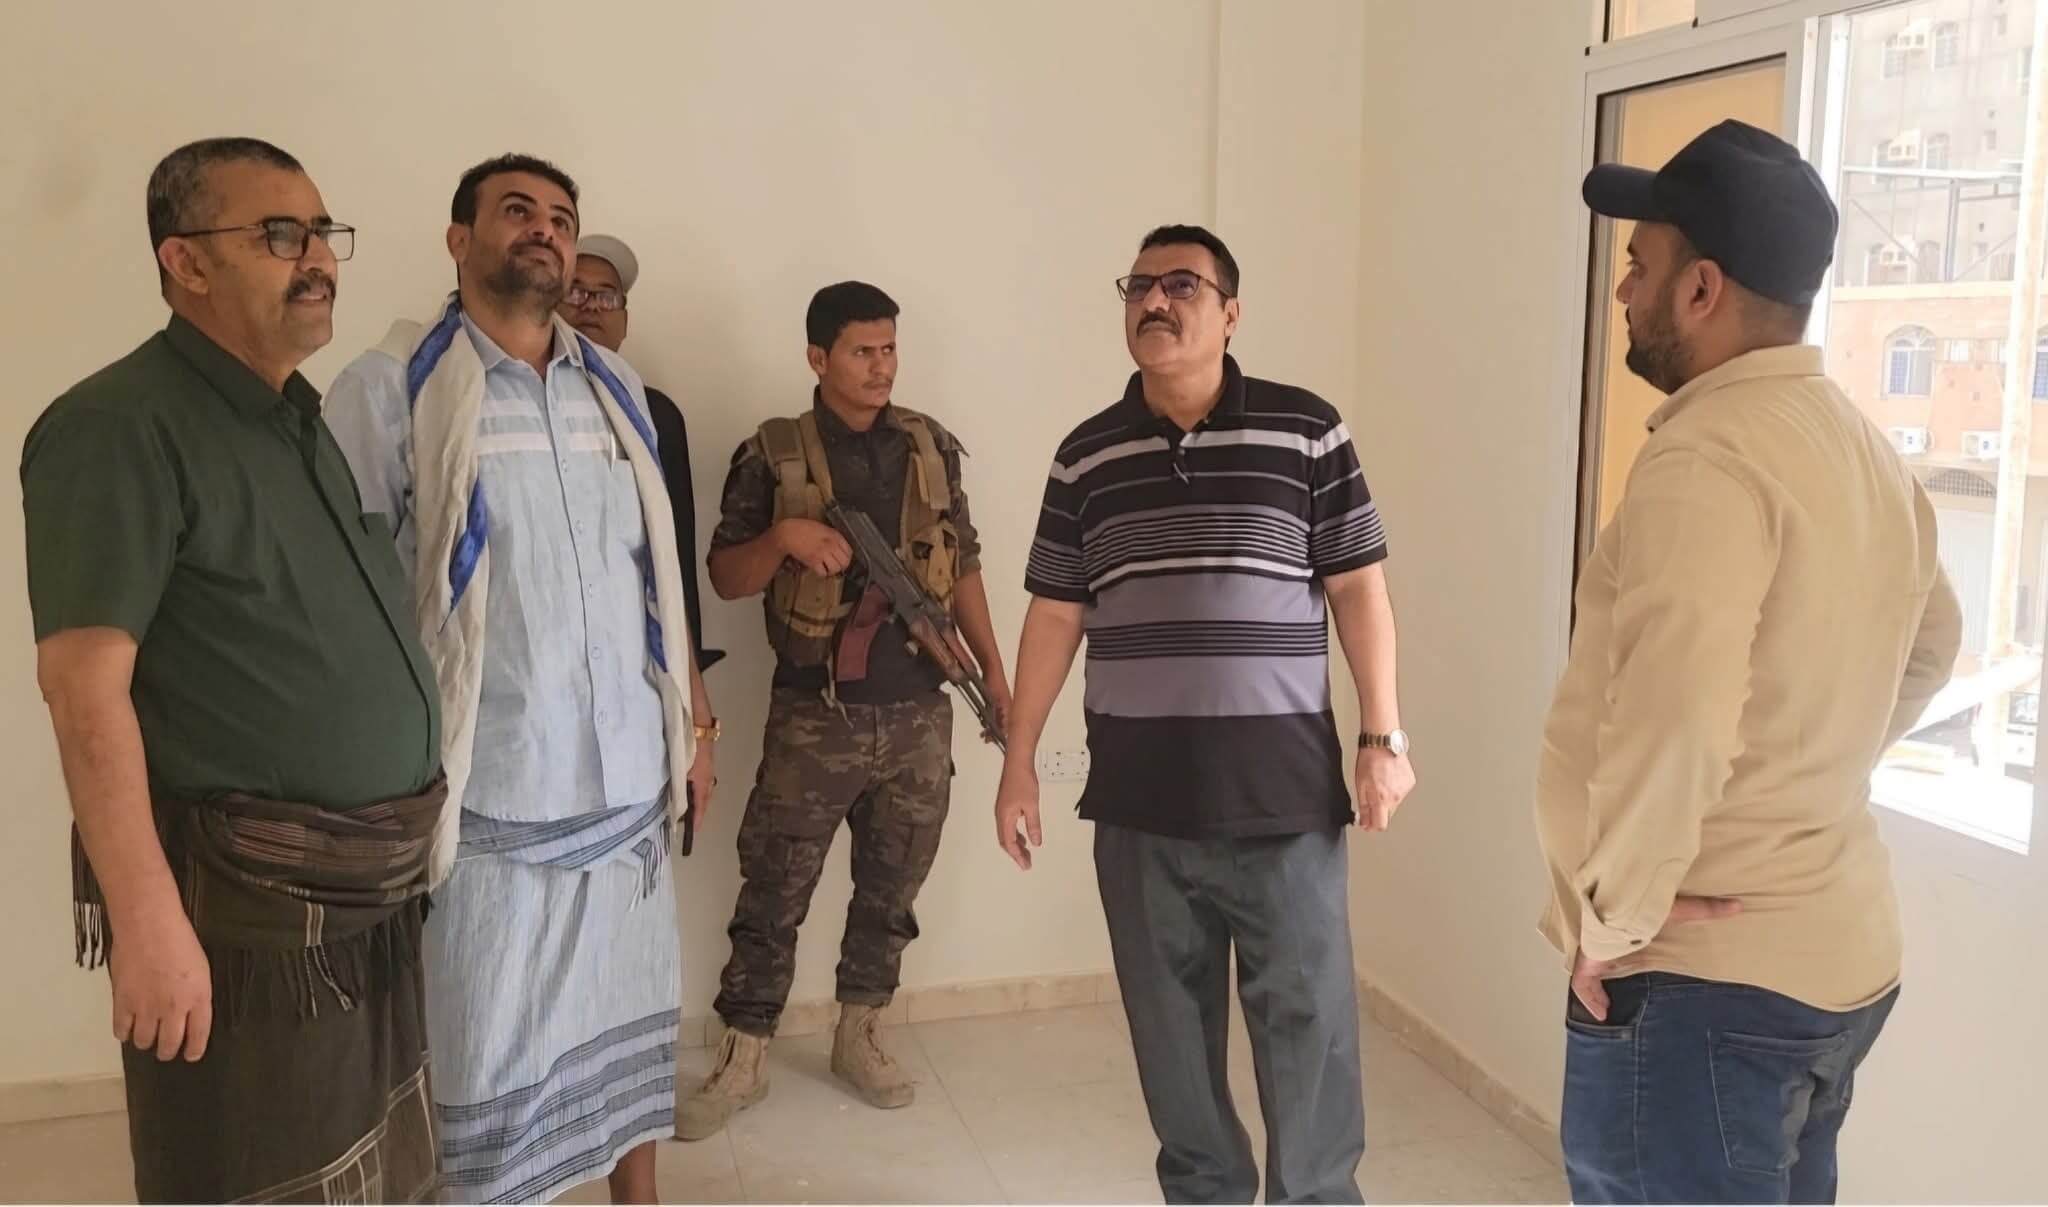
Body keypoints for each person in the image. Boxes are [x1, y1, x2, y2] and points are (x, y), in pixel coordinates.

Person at [1539, 119, 1963, 1205]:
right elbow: (1931, 643)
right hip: (1836, 958)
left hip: (1704, 987)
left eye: (1639, 265)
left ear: (1701, 290)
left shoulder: (1706, 459)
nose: (1623, 289)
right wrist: (1803, 780)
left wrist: (1611, 924)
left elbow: (1674, 715)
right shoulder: (1861, 446)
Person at [21, 137, 444, 1203]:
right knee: (255, 1171)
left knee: (370, 1171)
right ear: (186, 262)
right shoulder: (118, 426)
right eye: (279, 234)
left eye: (323, 232)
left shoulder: (295, 417)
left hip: (360, 901)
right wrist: (146, 921)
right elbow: (82, 690)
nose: (319, 258)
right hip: (243, 916)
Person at [324, 153, 716, 1205]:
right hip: (489, 799)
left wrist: (693, 726)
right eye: (516, 211)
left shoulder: (614, 389)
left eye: (561, 218)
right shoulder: (388, 390)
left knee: (630, 1023)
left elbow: (654, 575)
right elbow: (350, 602)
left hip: (625, 783)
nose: (544, 230)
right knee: (483, 1056)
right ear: (460, 240)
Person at [997, 224, 1415, 1205]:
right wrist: (1018, 760)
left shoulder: (1304, 430)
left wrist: (1381, 735)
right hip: (1141, 810)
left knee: (1309, 1039)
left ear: (1230, 313)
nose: (1154, 300)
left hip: (1284, 805)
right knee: (1172, 1052)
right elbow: (1055, 614)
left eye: (1181, 284)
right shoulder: (1086, 457)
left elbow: (1358, 588)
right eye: (1139, 285)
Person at [677, 280, 1010, 1140]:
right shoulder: (773, 454)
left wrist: (996, 678)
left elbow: (965, 563)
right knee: (774, 885)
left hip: (919, 713)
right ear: (818, 357)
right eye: (863, 351)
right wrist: (783, 538)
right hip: (814, 714)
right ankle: (744, 1052)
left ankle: (859, 1031)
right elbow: (723, 575)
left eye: (890, 348)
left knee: (894, 885)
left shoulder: (930, 445)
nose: (881, 366)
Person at [559, 233, 724, 673]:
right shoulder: (516, 407)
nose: (592, 306)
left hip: (636, 656)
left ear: (625, 320)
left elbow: (676, 551)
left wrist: (689, 671)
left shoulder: (656, 415)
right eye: (576, 292)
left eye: (607, 296)